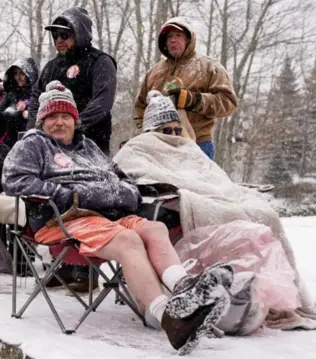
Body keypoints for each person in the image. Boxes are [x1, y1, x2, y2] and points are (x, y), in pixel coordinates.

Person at [2, 81, 235, 354]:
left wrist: (123, 194)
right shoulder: (34, 145)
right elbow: (14, 180)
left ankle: (185, 289)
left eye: (65, 116)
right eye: (52, 117)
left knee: (155, 229)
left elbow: (120, 179)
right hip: (63, 220)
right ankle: (167, 319)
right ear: (42, 121)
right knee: (128, 240)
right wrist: (68, 194)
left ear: (75, 121)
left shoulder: (88, 147)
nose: (59, 122)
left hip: (106, 216)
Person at [117, 90, 316, 332]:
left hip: (214, 193)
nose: (173, 136)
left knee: (265, 215)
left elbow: (211, 174)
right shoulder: (139, 146)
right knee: (230, 214)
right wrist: (183, 186)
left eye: (176, 130)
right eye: (166, 130)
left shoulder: (188, 147)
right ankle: (220, 295)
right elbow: (133, 171)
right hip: (182, 196)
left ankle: (272, 296)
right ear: (151, 130)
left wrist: (224, 191)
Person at [134, 17, 238, 160]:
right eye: (169, 36)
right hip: (158, 146)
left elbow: (228, 103)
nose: (173, 40)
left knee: (196, 183)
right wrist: (146, 132)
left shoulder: (209, 67)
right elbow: (140, 107)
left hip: (197, 144)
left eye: (178, 35)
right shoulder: (153, 73)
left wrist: (193, 100)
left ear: (189, 40)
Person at [27, 7, 117, 156]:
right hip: (53, 143)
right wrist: (34, 130)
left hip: (91, 141)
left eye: (64, 35)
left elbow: (103, 101)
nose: (59, 40)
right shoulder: (51, 67)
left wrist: (76, 125)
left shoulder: (100, 61)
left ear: (79, 34)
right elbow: (36, 99)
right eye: (55, 36)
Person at [0, 58, 38, 148]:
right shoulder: (11, 94)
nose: (18, 77)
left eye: (22, 73)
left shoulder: (36, 93)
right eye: (15, 73)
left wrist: (23, 115)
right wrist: (10, 114)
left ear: (30, 75)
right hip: (11, 140)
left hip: (30, 139)